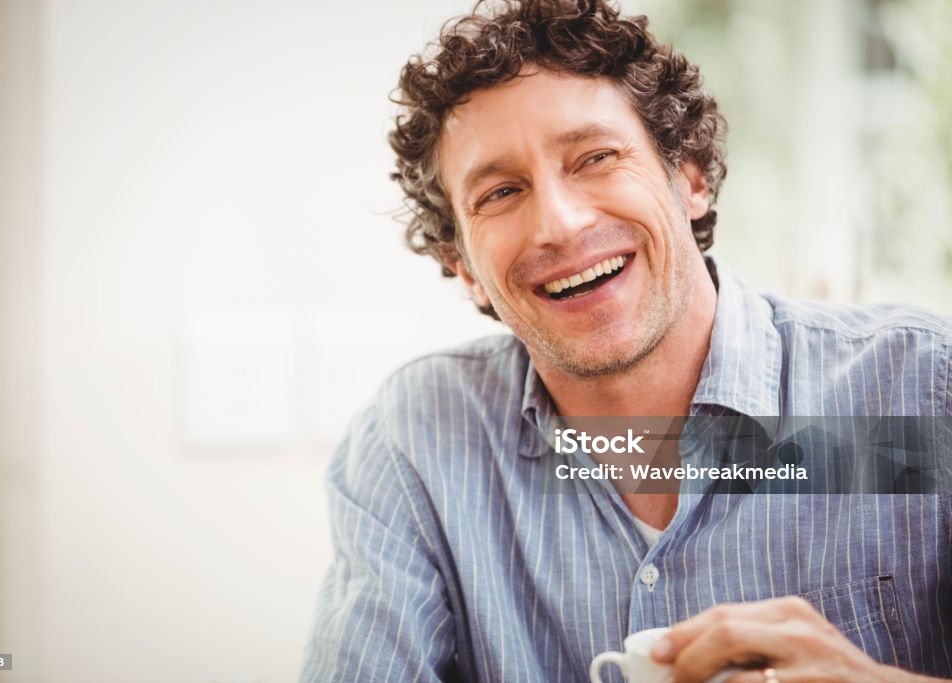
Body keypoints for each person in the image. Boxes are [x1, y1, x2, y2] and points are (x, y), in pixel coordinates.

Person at [300, 1, 952, 681]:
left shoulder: (924, 385)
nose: (558, 221)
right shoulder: (416, 443)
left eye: (596, 157)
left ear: (691, 177)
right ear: (467, 268)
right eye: (500, 192)